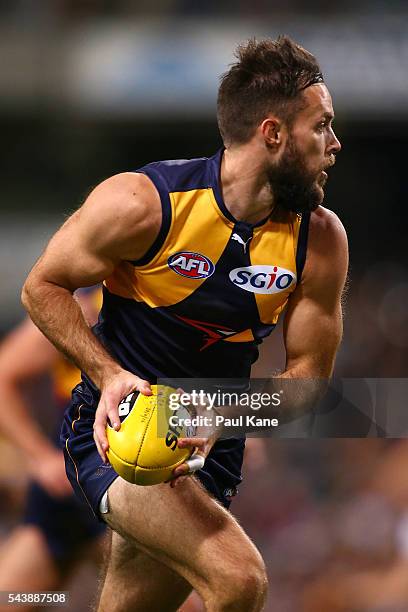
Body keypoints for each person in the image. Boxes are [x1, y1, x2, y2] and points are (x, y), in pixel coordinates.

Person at [21, 36, 348, 612]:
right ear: (272, 134)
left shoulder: (319, 239)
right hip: (119, 433)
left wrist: (224, 413)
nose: (334, 144)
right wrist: (109, 373)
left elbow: (309, 381)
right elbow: (41, 287)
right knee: (239, 579)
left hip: (211, 454)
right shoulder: (144, 204)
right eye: (320, 126)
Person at [0, 289, 106, 611]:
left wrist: (230, 430)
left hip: (123, 495)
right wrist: (39, 457)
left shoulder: (178, 301)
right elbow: (4, 374)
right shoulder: (83, 307)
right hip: (71, 493)